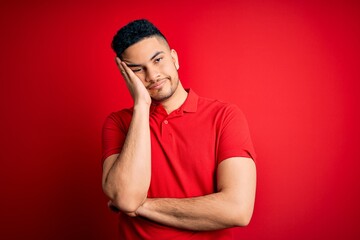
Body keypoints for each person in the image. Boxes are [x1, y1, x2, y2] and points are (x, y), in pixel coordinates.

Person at [101, 19, 257, 240]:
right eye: (138, 70)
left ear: (174, 58)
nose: (152, 75)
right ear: (127, 77)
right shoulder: (118, 123)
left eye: (158, 60)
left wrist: (142, 207)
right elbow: (126, 198)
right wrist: (141, 106)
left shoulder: (225, 116)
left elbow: (238, 210)